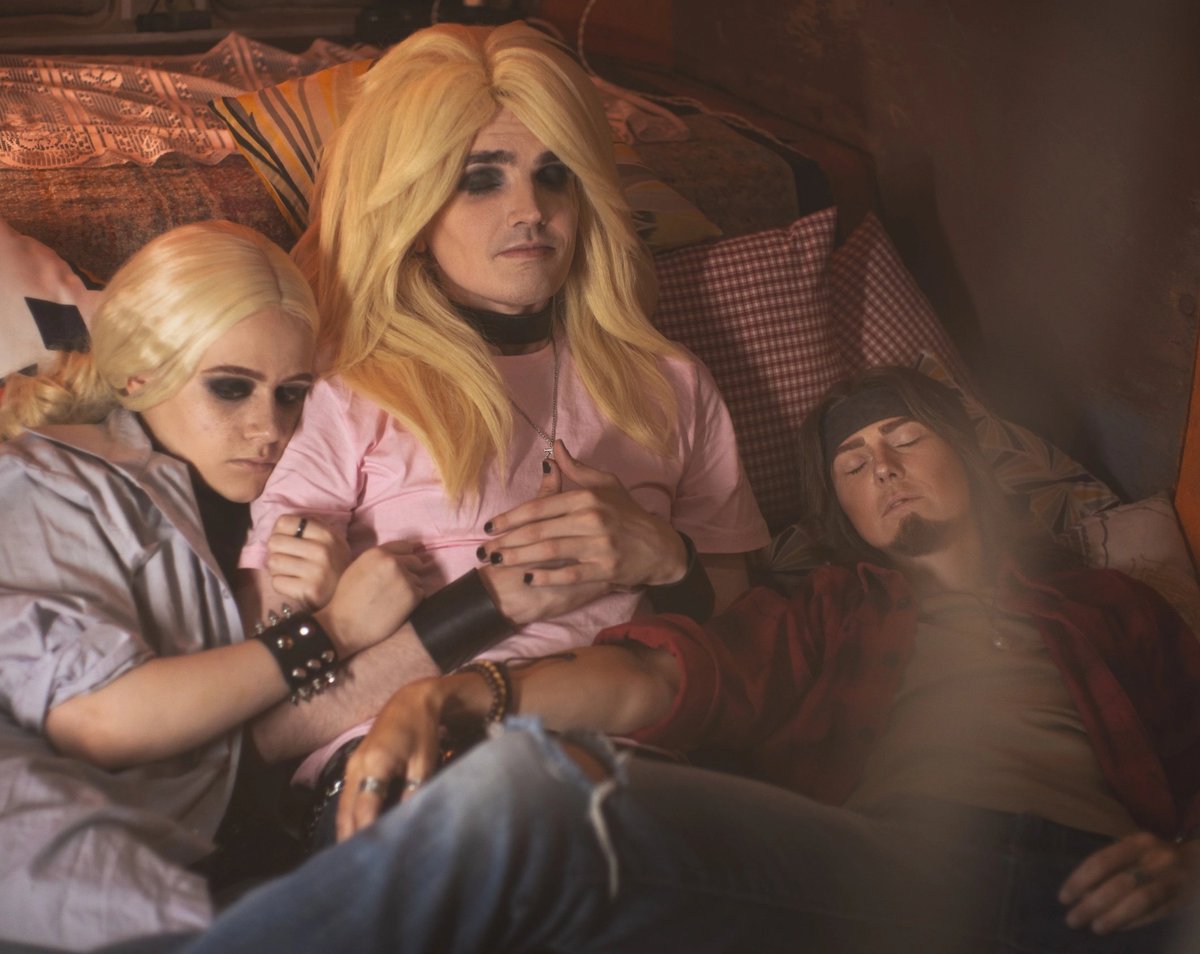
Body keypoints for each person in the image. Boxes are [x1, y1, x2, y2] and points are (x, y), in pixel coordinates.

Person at [134, 364, 1200, 954]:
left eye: (906, 440)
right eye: (851, 460)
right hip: (891, 878)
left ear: (968, 451)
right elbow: (665, 676)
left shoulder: (1117, 607)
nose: (882, 468)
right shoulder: (830, 609)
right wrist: (462, 693)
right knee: (527, 792)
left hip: (1113, 892)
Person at [238, 20, 769, 802]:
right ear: (414, 212)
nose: (530, 210)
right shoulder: (342, 390)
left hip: (627, 761)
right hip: (412, 775)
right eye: (482, 179)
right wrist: (481, 607)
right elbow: (269, 729)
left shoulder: (672, 382)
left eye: (555, 176)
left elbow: (745, 638)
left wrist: (669, 560)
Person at [0, 221, 422, 951]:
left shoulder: (275, 503)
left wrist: (310, 602)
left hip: (215, 860)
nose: (269, 428)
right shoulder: (46, 479)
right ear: (140, 374)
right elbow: (98, 720)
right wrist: (334, 629)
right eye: (230, 388)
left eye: (291, 395)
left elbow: (248, 734)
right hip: (63, 871)